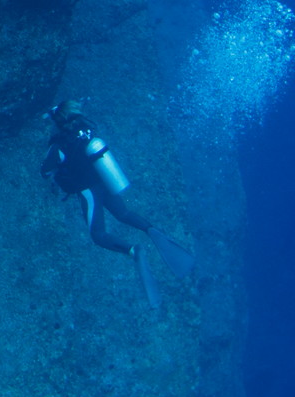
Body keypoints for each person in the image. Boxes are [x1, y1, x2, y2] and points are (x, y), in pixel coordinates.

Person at [40, 100, 195, 306]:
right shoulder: (87, 130)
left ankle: (133, 250)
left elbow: (44, 170)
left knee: (98, 235)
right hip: (105, 181)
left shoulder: (58, 145)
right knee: (123, 214)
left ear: (58, 121)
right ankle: (151, 230)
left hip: (88, 190)